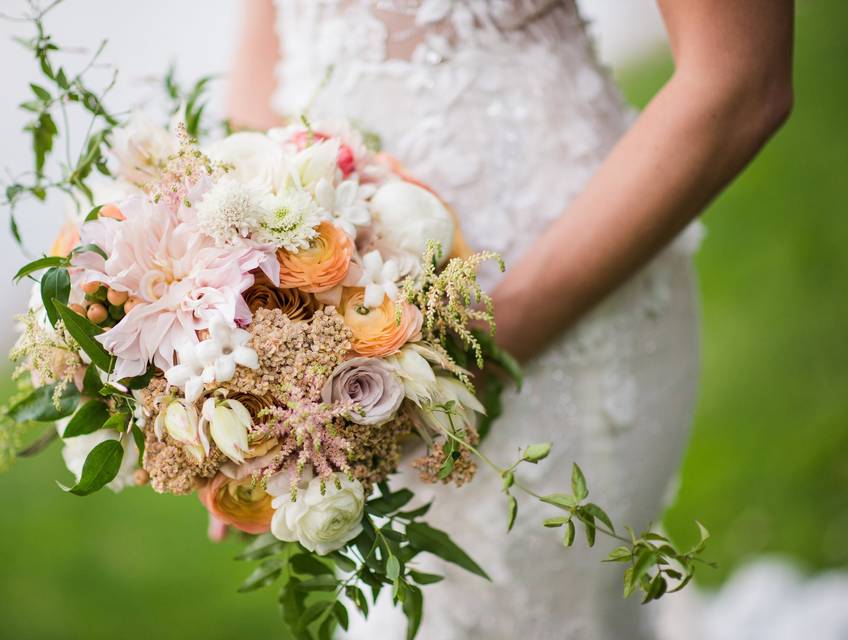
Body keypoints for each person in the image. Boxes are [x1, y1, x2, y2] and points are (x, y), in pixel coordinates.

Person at [228, 1, 793, 638]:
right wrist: (236, 322)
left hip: (565, 305)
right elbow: (270, 34)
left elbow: (742, 79)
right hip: (332, 340)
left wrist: (483, 356)